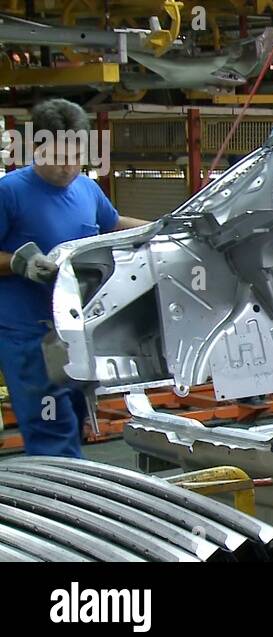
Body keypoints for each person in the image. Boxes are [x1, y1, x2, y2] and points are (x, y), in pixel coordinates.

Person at [0, 99, 146, 458]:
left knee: (76, 419)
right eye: (58, 156)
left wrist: (162, 228)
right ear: (36, 147)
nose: (67, 166)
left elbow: (112, 225)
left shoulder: (86, 190)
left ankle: (67, 497)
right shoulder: (9, 193)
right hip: (29, 337)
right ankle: (54, 507)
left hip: (75, 332)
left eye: (76, 155)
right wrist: (21, 263)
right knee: (52, 429)